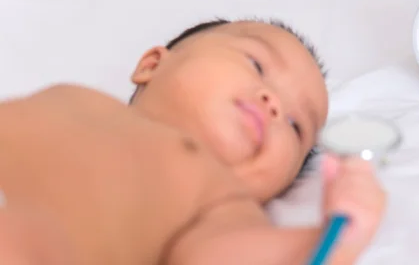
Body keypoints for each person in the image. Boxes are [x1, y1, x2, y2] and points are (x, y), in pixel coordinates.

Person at [0, 18, 386, 265]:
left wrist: (335, 237)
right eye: (256, 65)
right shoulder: (77, 97)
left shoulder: (219, 202)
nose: (273, 103)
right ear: (152, 64)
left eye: (295, 125)